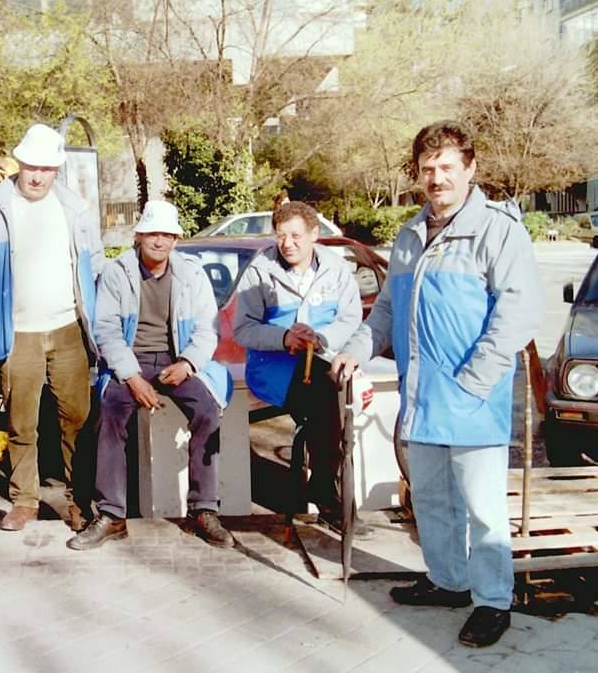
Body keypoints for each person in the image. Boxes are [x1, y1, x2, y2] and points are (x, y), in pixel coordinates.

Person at [331, 121, 541, 648]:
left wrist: (476, 381)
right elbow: (385, 311)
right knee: (431, 500)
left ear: (470, 169)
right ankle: (449, 581)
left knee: (483, 509)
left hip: (473, 399)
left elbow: (517, 314)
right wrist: (357, 349)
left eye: (447, 167)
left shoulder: (498, 230)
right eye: (428, 169)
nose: (437, 178)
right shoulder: (409, 235)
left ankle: (494, 600)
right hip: (422, 399)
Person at [0, 123, 103, 532]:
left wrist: (101, 325)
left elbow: (96, 269)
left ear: (57, 169)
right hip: (16, 332)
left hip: (67, 329)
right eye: (31, 166)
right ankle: (24, 500)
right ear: (19, 163)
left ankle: (79, 501)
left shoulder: (74, 209)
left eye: (47, 168)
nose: (38, 176)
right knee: (22, 422)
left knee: (77, 418)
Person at [68, 200, 234, 551]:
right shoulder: (118, 272)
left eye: (167, 234)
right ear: (139, 235)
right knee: (111, 413)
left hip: (177, 359)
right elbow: (108, 331)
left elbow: (207, 330)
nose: (159, 241)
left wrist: (188, 363)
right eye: (152, 233)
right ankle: (112, 515)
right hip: (133, 359)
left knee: (207, 411)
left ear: (175, 239)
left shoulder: (192, 273)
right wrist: (131, 377)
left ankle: (203, 510)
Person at [232, 201, 371, 538]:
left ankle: (325, 487)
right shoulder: (259, 270)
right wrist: (284, 337)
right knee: (324, 400)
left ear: (314, 234)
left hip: (323, 358)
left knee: (333, 397)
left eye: (295, 235)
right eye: (281, 236)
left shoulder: (337, 268)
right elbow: (243, 330)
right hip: (274, 365)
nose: (287, 244)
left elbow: (351, 318)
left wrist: (320, 339)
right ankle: (326, 495)